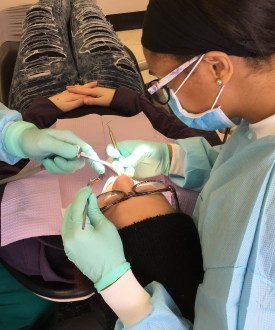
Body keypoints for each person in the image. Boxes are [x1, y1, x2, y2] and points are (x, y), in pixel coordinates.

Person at [0, 0, 217, 328]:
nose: (126, 180)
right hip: (118, 89)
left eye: (115, 199)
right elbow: (184, 135)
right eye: (148, 187)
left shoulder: (32, 247)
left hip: (42, 99)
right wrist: (125, 101)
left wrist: (24, 130)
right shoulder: (196, 194)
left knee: (42, 21)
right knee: (90, 17)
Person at [62, 0, 275, 329]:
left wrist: (121, 290)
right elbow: (248, 168)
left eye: (166, 86)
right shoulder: (259, 126)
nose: (122, 182)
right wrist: (174, 157)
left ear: (217, 68)